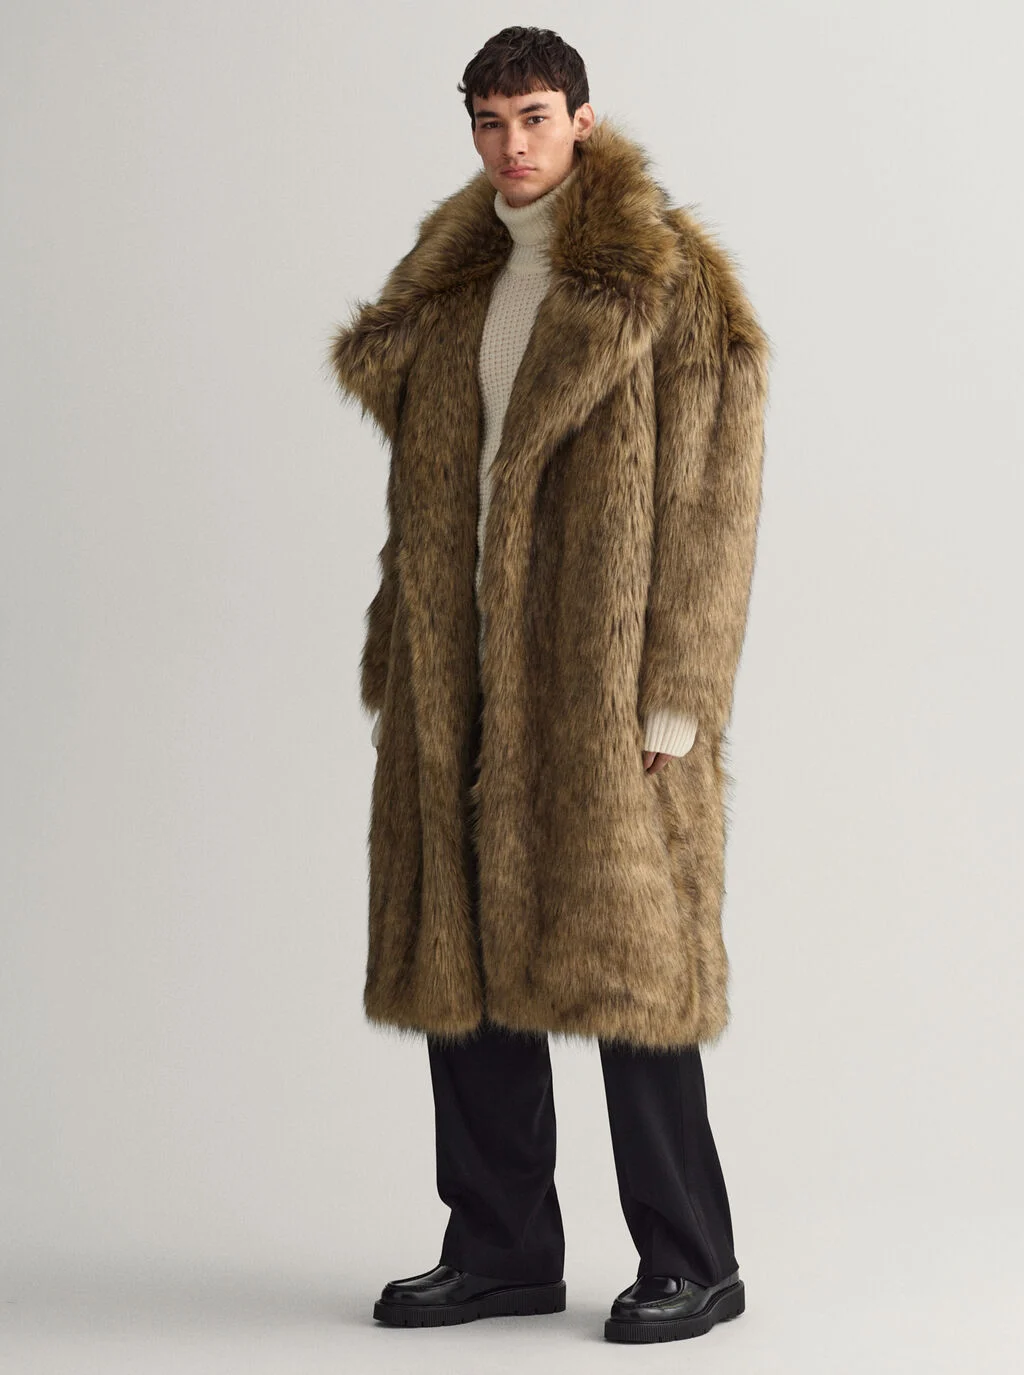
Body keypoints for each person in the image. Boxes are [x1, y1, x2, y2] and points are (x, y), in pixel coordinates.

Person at [326, 25, 770, 1345]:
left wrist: (677, 693)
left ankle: (694, 1256)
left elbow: (714, 506)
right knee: (461, 964)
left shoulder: (665, 282)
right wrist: (397, 654)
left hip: (600, 683)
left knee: (629, 969)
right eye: (489, 119)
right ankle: (501, 1247)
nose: (511, 144)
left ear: (582, 118)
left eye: (533, 117)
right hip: (456, 666)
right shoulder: (454, 284)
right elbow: (427, 500)